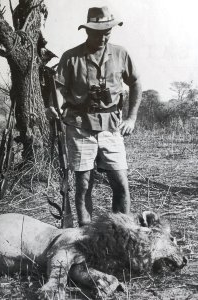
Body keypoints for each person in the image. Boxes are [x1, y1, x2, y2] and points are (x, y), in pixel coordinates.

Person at [45, 6, 142, 226]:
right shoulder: (71, 57)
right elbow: (59, 89)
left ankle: (120, 233)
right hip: (80, 126)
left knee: (121, 183)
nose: (103, 36)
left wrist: (132, 118)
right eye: (97, 32)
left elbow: (136, 82)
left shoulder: (121, 53)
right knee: (84, 185)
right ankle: (87, 237)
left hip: (111, 127)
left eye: (107, 31)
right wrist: (54, 107)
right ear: (87, 31)